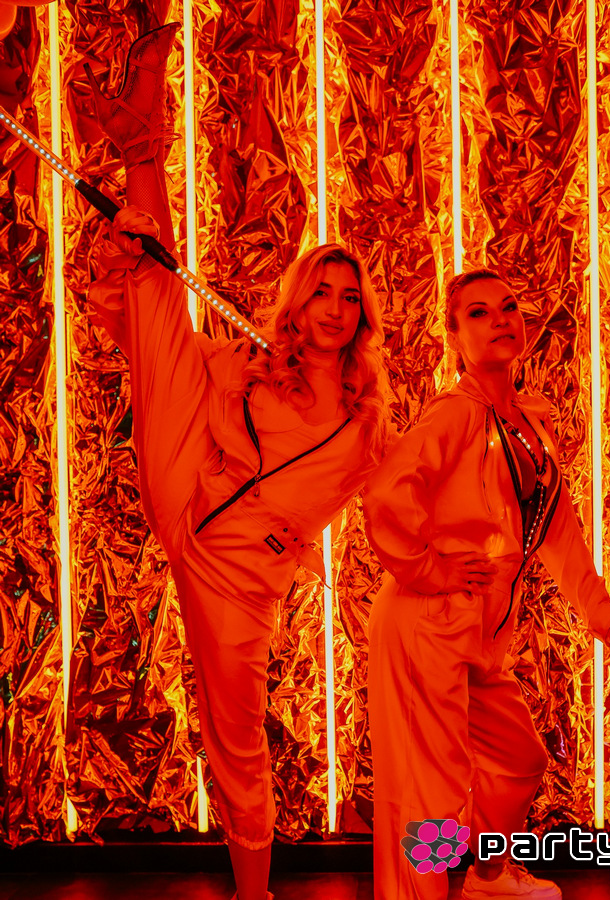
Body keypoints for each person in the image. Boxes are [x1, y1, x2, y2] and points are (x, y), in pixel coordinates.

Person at [84, 23, 389, 900]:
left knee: (238, 735)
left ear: (363, 316)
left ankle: (253, 890)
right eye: (320, 291)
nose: (333, 308)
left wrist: (303, 541)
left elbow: (390, 498)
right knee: (162, 301)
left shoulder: (365, 422)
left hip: (239, 574)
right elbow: (156, 354)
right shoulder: (253, 362)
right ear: (300, 301)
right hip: (187, 481)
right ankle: (142, 141)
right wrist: (132, 265)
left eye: (348, 297)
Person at [362, 269, 610, 900]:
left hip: (479, 632)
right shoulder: (455, 414)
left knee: (519, 759)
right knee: (432, 797)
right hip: (426, 624)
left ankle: (489, 875)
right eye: (478, 312)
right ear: (453, 335)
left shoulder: (528, 423)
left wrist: (604, 615)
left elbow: (558, 530)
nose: (500, 319)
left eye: (509, 307)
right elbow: (385, 492)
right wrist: (430, 568)